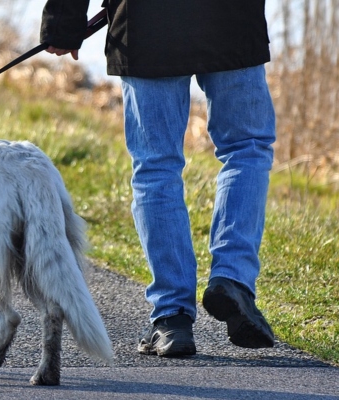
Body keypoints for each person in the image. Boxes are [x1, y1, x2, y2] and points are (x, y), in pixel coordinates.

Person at [40, 0, 276, 357]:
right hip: (231, 19)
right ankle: (233, 279)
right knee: (247, 148)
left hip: (146, 24)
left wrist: (64, 18)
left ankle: (171, 317)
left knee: (156, 167)